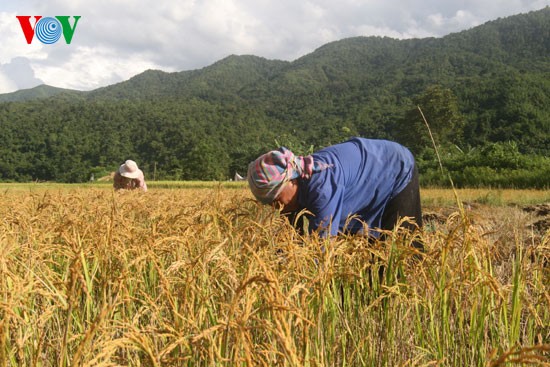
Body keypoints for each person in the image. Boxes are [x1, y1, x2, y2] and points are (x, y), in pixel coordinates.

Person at [247, 137, 423, 248]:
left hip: (393, 167)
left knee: (402, 249)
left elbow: (323, 248)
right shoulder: (290, 197)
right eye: (268, 204)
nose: (275, 207)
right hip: (363, 177)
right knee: (364, 253)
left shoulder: (321, 186)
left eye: (275, 199)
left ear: (291, 180)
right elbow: (294, 241)